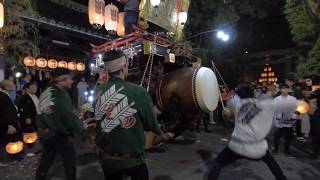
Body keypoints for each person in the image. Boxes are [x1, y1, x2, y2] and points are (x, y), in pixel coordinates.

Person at [94, 50, 162, 180]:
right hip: (133, 160)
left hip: (107, 158)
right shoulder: (138, 92)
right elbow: (151, 125)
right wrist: (159, 130)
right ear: (123, 67)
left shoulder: (98, 91)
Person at [205, 84, 287, 180]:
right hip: (256, 145)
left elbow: (227, 110)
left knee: (218, 162)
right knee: (271, 162)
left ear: (239, 95)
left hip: (238, 144)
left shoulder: (236, 104)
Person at [36, 68, 83, 180]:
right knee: (69, 159)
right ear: (62, 80)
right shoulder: (60, 96)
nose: (72, 81)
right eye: (70, 79)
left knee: (47, 157)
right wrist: (80, 125)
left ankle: (39, 177)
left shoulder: (47, 91)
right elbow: (68, 118)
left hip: (45, 133)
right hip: (58, 135)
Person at [273, 84, 297, 155]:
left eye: (286, 89)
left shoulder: (293, 99)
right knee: (277, 136)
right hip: (279, 120)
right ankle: (275, 149)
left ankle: (286, 150)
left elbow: (296, 109)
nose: (284, 90)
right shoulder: (277, 99)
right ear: (280, 90)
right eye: (282, 89)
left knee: (288, 137)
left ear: (288, 89)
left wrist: (294, 119)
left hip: (289, 119)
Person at [0, 80, 20, 166]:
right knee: (4, 142)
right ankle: (4, 160)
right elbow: (4, 112)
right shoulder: (2, 96)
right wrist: (9, 125)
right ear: (6, 86)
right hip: (5, 125)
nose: (13, 86)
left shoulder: (5, 95)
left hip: (7, 123)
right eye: (12, 85)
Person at [309, 91, 320, 159]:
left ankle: (315, 154)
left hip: (317, 119)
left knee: (315, 138)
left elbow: (311, 111)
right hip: (316, 118)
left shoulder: (314, 100)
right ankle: (315, 153)